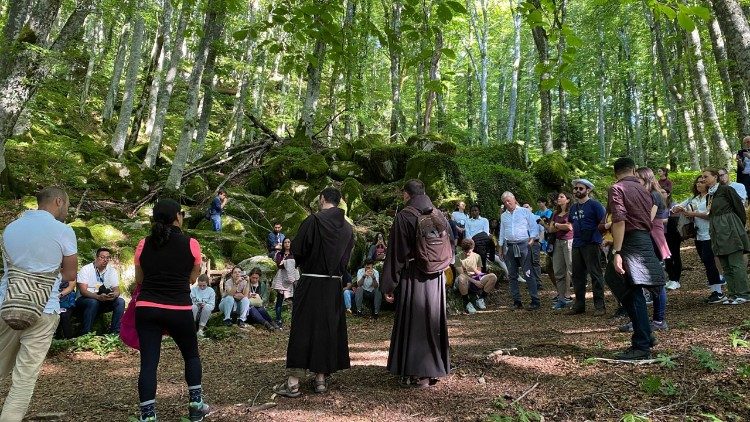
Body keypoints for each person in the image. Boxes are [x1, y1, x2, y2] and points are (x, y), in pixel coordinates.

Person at [0, 187, 77, 421]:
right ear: (57, 201)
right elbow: (70, 273)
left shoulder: (11, 228)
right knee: (24, 378)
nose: (67, 209)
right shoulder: (63, 231)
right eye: (66, 204)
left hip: (7, 303)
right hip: (44, 307)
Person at [274, 187, 354, 397]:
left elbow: (297, 252)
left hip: (310, 282)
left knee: (304, 328)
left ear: (322, 199)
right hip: (333, 286)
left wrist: (291, 263)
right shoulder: (347, 229)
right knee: (326, 329)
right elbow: (345, 263)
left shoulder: (313, 221)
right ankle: (320, 378)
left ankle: (292, 383)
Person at [133, 198, 209, 421]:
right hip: (179, 306)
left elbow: (139, 279)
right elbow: (192, 278)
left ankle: (148, 415)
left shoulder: (143, 244)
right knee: (191, 356)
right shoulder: (191, 243)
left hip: (147, 307)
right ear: (177, 216)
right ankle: (196, 406)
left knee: (148, 362)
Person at [381, 179, 451, 388]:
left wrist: (388, 285)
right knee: (433, 320)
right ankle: (433, 370)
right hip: (437, 277)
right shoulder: (439, 214)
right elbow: (451, 244)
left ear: (406, 195)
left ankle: (416, 372)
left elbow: (395, 254)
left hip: (414, 276)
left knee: (416, 322)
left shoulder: (405, 216)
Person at [605, 157, 665, 360]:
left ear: (616, 173)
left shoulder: (617, 188)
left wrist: (618, 252)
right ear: (633, 170)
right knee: (627, 286)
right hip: (643, 239)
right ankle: (646, 335)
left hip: (630, 241)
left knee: (630, 289)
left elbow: (620, 220)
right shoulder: (644, 190)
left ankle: (641, 345)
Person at [701, 168, 750, 304]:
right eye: (702, 177)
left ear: (715, 177)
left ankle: (744, 294)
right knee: (725, 264)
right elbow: (710, 213)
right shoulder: (710, 195)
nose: (703, 179)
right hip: (717, 231)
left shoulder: (726, 190)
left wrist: (738, 227)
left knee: (735, 262)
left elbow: (739, 209)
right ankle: (733, 294)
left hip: (730, 228)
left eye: (706, 177)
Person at [673, 177, 723, 302]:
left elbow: (709, 215)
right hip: (699, 234)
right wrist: (680, 208)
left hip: (710, 234)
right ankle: (714, 290)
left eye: (702, 182)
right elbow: (674, 208)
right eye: (697, 182)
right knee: (706, 262)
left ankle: (718, 291)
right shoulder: (694, 198)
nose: (699, 184)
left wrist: (693, 214)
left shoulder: (711, 198)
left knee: (709, 261)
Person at [634, 167, 670, 332]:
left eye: (638, 179)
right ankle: (647, 319)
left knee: (657, 281)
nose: (636, 182)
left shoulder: (654, 195)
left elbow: (648, 219)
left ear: (646, 179)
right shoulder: (646, 195)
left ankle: (659, 319)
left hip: (653, 238)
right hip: (646, 237)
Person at [567, 179, 607, 316]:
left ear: (588, 190)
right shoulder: (573, 208)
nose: (577, 190)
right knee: (577, 275)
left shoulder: (595, 205)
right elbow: (572, 222)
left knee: (595, 274)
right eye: (576, 188)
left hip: (592, 243)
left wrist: (601, 238)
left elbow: (603, 222)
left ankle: (600, 306)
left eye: (581, 188)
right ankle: (579, 305)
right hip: (577, 244)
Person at [498, 191, 541, 310]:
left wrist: (531, 240)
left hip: (523, 244)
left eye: (509, 201)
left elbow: (533, 227)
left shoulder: (524, 211)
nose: (507, 203)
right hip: (510, 246)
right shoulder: (504, 215)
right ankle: (517, 301)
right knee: (512, 274)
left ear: (514, 199)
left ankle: (535, 300)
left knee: (528, 272)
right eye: (505, 202)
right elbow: (502, 232)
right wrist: (500, 248)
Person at [75, 247, 126, 335]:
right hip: (85, 299)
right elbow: (83, 291)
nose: (105, 260)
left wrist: (114, 295)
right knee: (93, 302)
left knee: (120, 302)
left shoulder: (111, 271)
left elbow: (117, 290)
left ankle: (114, 332)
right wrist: (98, 297)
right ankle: (85, 333)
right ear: (96, 257)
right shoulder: (86, 269)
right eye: (102, 257)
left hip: (103, 299)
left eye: (107, 258)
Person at [455, 238, 498, 314]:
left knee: (493, 277)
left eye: (469, 251)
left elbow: (479, 273)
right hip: (464, 281)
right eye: (465, 251)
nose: (467, 253)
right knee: (462, 278)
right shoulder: (458, 257)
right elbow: (462, 274)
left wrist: (474, 270)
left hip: (475, 278)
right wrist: (475, 281)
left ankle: (481, 299)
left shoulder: (477, 256)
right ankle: (467, 303)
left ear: (473, 248)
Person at [549, 192, 573, 310]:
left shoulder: (571, 212)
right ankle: (562, 299)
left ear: (568, 200)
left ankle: (578, 299)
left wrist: (557, 225)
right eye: (558, 196)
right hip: (558, 242)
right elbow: (550, 229)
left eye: (562, 197)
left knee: (572, 269)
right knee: (558, 271)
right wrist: (560, 226)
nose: (559, 198)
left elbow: (569, 227)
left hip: (569, 242)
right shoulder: (556, 213)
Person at [272, 238, 297, 327]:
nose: (287, 244)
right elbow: (279, 265)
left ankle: (295, 319)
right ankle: (278, 319)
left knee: (295, 299)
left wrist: (286, 262)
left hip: (292, 279)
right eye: (285, 242)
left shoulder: (294, 254)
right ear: (283, 244)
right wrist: (289, 262)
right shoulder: (279, 254)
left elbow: (296, 264)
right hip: (281, 278)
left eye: (288, 242)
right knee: (280, 299)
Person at [466, 205, 494, 272]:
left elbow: (486, 232)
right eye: (472, 211)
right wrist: (472, 242)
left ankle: (482, 274)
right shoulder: (468, 221)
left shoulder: (484, 220)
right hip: (472, 241)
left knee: (481, 255)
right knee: (476, 257)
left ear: (479, 211)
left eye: (476, 210)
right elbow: (467, 233)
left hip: (482, 241)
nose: (474, 212)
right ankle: (477, 276)